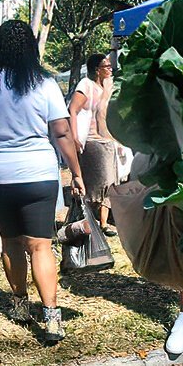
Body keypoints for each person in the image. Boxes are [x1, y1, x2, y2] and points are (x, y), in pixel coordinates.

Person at [0, 19, 86, 342]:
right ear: (31, 49)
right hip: (39, 175)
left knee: (12, 243)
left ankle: (19, 305)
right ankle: (53, 317)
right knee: (41, 245)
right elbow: (62, 132)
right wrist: (77, 173)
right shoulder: (45, 84)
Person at [67, 53, 118, 237]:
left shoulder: (106, 86)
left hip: (107, 141)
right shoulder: (86, 85)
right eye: (107, 66)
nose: (110, 69)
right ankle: (87, 219)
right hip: (91, 141)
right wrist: (74, 137)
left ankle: (103, 223)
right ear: (97, 69)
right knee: (99, 181)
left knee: (111, 182)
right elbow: (72, 110)